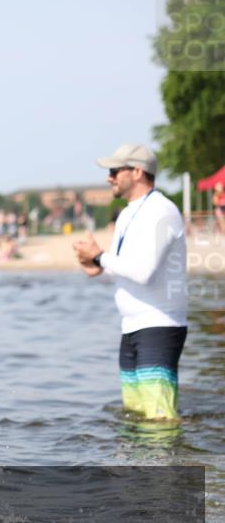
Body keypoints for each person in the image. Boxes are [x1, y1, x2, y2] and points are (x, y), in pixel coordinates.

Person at [73, 144, 187, 421]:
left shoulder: (162, 211)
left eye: (114, 171)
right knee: (134, 417)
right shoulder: (127, 213)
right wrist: (96, 267)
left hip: (159, 324)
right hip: (132, 326)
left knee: (159, 420)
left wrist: (100, 257)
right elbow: (122, 268)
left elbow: (144, 272)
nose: (109, 177)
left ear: (137, 172)